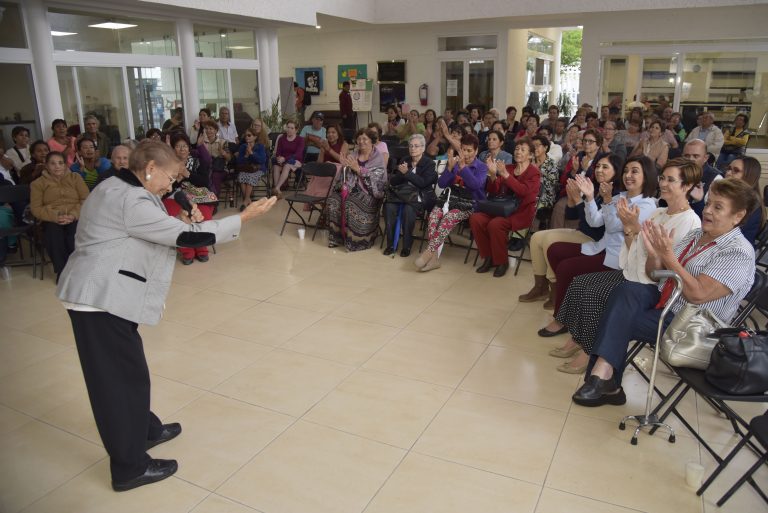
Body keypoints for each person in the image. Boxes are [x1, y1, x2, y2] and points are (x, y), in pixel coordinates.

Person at [56, 140, 276, 491]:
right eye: (170, 176)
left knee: (131, 373)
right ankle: (129, 468)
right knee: (115, 386)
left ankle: (146, 430)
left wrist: (178, 211)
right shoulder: (130, 198)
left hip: (110, 296)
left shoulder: (119, 184)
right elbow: (182, 236)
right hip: (98, 298)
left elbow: (150, 220)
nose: (172, 184)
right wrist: (242, 218)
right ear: (150, 169)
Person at [572, 178, 758, 406]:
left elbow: (697, 294)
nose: (707, 211)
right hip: (666, 301)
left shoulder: (738, 253)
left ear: (738, 216)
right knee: (627, 291)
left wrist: (669, 258)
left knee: (617, 314)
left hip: (692, 324)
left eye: (717, 207)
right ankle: (604, 380)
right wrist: (654, 255)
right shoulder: (697, 235)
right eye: (709, 203)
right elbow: (655, 276)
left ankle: (602, 378)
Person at [547, 158, 700, 373]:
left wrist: (638, 235)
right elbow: (634, 249)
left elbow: (665, 268)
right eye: (663, 178)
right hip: (633, 271)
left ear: (687, 186)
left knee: (595, 294)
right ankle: (578, 338)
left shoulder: (689, 222)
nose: (664, 183)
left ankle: (588, 350)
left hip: (652, 284)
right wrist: (630, 228)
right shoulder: (659, 213)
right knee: (580, 283)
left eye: (671, 180)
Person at [519, 152, 618, 307]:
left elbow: (595, 228)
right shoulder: (595, 187)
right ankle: (541, 287)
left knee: (549, 241)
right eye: (598, 166)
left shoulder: (614, 195)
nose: (599, 170)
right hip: (583, 232)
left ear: (616, 171)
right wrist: (573, 199)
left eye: (605, 167)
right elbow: (572, 216)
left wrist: (579, 200)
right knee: (536, 237)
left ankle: (555, 290)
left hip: (595, 239)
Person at [415, 133, 488, 272]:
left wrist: (463, 169)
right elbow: (442, 184)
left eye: (469, 150)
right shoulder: (455, 162)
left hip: (469, 202)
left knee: (448, 218)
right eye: (463, 150)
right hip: (449, 199)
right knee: (434, 216)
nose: (465, 154)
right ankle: (434, 259)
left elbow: (475, 186)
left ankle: (429, 252)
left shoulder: (481, 167)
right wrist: (449, 168)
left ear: (476, 151)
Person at [470, 137, 541, 277]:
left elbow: (523, 191)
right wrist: (492, 175)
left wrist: (505, 175)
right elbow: (495, 191)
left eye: (522, 150)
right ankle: (488, 257)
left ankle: (502, 262)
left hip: (521, 213)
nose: (518, 152)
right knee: (476, 218)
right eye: (516, 149)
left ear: (531, 155)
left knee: (495, 224)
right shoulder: (509, 168)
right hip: (501, 208)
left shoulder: (534, 173)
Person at [30, 151, 89, 281]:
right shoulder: (37, 184)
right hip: (51, 218)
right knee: (53, 233)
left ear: (65, 165)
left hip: (75, 215)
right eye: (52, 163)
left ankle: (77, 270)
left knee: (73, 233)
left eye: (60, 163)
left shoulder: (75, 178)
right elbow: (36, 208)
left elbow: (86, 199)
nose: (57, 166)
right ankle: (62, 272)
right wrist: (56, 216)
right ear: (46, 165)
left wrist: (73, 215)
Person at [326, 128, 387, 251]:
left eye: (365, 139)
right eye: (359, 139)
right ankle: (336, 238)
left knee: (351, 203)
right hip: (350, 189)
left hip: (370, 194)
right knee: (333, 200)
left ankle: (356, 241)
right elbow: (344, 178)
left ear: (372, 141)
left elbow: (377, 182)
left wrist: (359, 170)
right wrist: (344, 167)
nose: (361, 141)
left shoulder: (377, 158)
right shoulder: (353, 155)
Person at [383, 134, 437, 257]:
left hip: (419, 196)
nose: (413, 148)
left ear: (423, 148)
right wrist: (401, 174)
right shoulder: (405, 160)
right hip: (401, 194)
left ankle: (407, 244)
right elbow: (393, 181)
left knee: (409, 210)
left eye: (416, 146)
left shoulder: (429, 163)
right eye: (411, 146)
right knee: (388, 207)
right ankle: (390, 245)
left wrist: (407, 173)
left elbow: (423, 183)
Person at [165, 133, 214, 264]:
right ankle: (187, 250)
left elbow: (204, 182)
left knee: (204, 213)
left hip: (198, 196)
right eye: (178, 146)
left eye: (184, 146)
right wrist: (177, 180)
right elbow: (164, 187)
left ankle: (201, 247)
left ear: (189, 147)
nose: (182, 149)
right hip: (174, 197)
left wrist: (187, 174)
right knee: (176, 215)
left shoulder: (197, 162)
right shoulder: (168, 165)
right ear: (172, 149)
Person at [725, 156, 764, 244]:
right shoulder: (728, 195)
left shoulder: (753, 205)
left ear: (749, 176)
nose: (728, 173)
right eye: (729, 169)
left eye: (736, 171)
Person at [235, 127, 268, 211]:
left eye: (249, 135)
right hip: (247, 169)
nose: (247, 137)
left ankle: (245, 201)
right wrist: (246, 156)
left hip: (258, 169)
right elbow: (239, 162)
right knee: (241, 176)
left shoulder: (260, 146)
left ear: (255, 137)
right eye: (245, 135)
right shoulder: (243, 147)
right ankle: (248, 200)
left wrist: (252, 153)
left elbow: (262, 160)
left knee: (250, 177)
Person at [271, 121, 304, 198]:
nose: (289, 129)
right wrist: (279, 158)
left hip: (295, 161)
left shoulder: (300, 139)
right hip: (283, 160)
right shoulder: (282, 139)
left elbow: (298, 154)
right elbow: (278, 152)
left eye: (292, 128)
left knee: (287, 165)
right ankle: (277, 191)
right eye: (288, 127)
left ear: (296, 130)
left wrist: (285, 158)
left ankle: (276, 188)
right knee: (276, 166)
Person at [200, 119, 232, 196]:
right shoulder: (202, 141)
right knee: (200, 176)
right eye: (206, 128)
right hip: (206, 168)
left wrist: (223, 153)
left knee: (214, 176)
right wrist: (200, 145)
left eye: (211, 129)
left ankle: (214, 200)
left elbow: (229, 159)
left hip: (220, 168)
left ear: (216, 130)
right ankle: (204, 199)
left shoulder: (223, 142)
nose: (208, 131)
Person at [531, 135, 559, 216]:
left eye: (537, 145)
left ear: (545, 147)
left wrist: (536, 172)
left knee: (531, 208)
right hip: (528, 193)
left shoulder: (552, 164)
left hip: (544, 197)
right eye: (533, 146)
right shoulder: (529, 160)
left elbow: (550, 187)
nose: (534, 148)